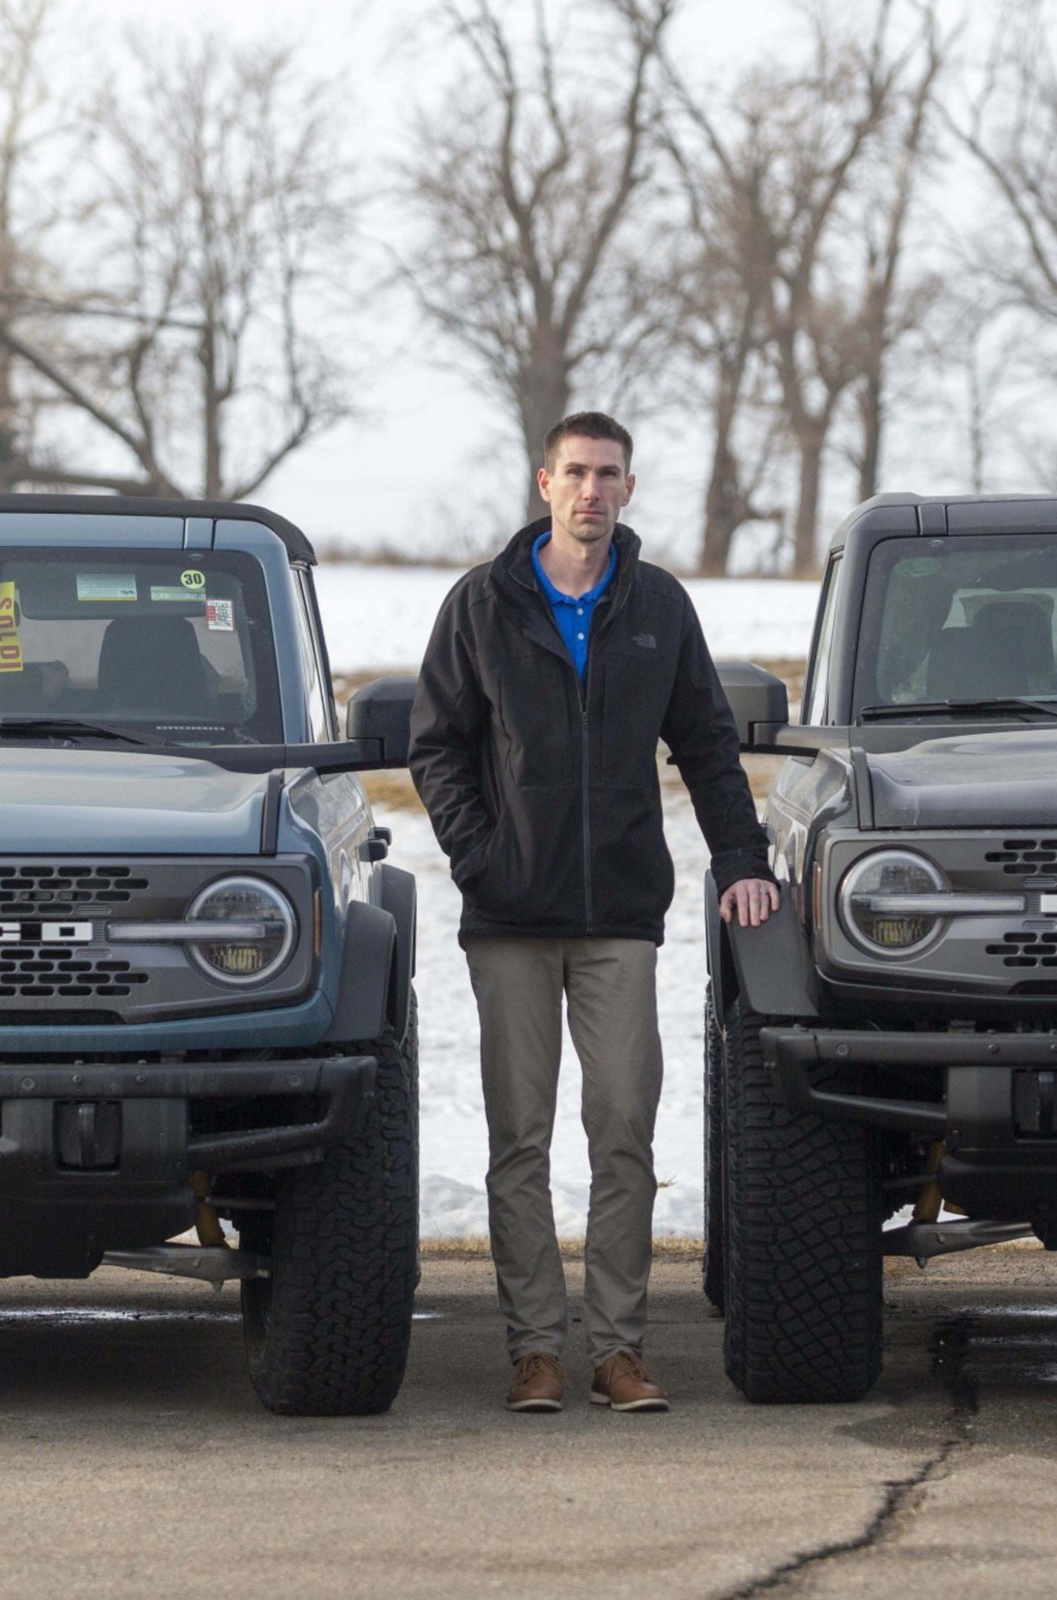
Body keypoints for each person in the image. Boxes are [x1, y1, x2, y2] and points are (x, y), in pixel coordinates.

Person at [409, 411, 779, 1415]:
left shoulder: (656, 605)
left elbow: (705, 742)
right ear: (544, 482)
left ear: (628, 487)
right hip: (509, 920)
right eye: (574, 472)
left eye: (608, 474)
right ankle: (536, 1350)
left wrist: (743, 857)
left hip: (620, 913)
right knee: (518, 1138)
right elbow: (435, 745)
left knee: (623, 1127)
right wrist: (480, 856)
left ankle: (618, 1350)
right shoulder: (483, 603)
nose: (591, 491)